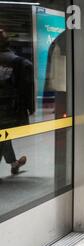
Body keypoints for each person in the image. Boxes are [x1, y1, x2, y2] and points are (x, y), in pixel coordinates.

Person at [0, 29, 33, 175]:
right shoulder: (19, 63)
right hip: (8, 109)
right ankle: (14, 163)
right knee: (4, 135)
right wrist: (29, 107)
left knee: (4, 136)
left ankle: (13, 163)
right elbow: (26, 87)